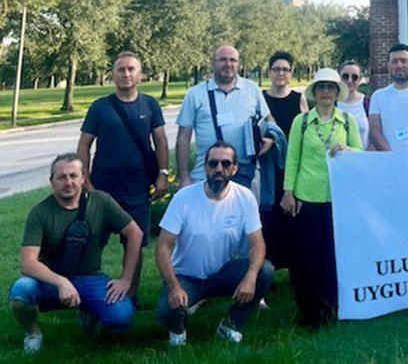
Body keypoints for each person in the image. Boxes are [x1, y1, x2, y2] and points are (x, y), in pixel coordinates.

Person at [9, 153, 143, 354]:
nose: (68, 182)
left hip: (90, 278)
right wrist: (61, 282)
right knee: (20, 292)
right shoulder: (40, 212)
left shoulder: (101, 202)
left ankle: (89, 312)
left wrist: (126, 279)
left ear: (83, 178)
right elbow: (28, 263)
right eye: (61, 177)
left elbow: (135, 233)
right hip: (50, 281)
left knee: (121, 318)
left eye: (73, 175)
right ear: (51, 181)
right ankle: (33, 334)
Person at [156, 142, 274, 345]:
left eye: (226, 163)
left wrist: (250, 277)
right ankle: (178, 330)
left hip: (221, 274)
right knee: (165, 311)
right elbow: (163, 247)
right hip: (186, 276)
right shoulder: (184, 198)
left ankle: (231, 325)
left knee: (265, 271)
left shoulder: (244, 198)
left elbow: (258, 244)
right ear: (205, 167)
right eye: (213, 163)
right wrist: (174, 286)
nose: (219, 169)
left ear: (235, 168)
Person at [77, 51, 170, 307]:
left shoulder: (150, 105)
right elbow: (84, 145)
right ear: (113, 74)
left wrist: (163, 174)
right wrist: (85, 181)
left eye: (131, 69)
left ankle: (131, 294)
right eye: (121, 70)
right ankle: (88, 296)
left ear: (140, 75)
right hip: (102, 190)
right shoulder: (100, 107)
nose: (126, 74)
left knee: (135, 242)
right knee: (92, 241)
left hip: (137, 189)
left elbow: (160, 139)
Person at [280, 68, 363, 327]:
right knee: (307, 258)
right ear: (314, 93)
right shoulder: (301, 122)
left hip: (338, 200)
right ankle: (309, 311)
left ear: (338, 92)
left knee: (333, 255)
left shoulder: (347, 121)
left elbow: (361, 156)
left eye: (330, 87)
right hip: (307, 199)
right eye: (321, 88)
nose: (326, 92)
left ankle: (333, 307)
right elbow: (292, 157)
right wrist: (288, 191)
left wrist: (347, 149)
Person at [176, 44, 273, 188]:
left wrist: (270, 138)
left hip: (244, 175)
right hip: (205, 176)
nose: (228, 64)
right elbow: (184, 137)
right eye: (222, 60)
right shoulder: (195, 94)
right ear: (212, 63)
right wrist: (184, 177)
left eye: (233, 60)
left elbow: (269, 120)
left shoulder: (252, 89)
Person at [260, 51, 307, 278]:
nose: (281, 73)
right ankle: (266, 272)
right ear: (270, 72)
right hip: (267, 172)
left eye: (285, 70)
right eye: (276, 69)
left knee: (292, 220)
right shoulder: (261, 99)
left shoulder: (299, 99)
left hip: (291, 170)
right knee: (267, 221)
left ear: (291, 73)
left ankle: (295, 271)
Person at [337, 60, 370, 149]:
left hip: (363, 159)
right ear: (339, 78)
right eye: (345, 76)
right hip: (337, 160)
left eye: (354, 77)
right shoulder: (332, 104)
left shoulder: (368, 103)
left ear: (360, 79)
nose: (350, 80)